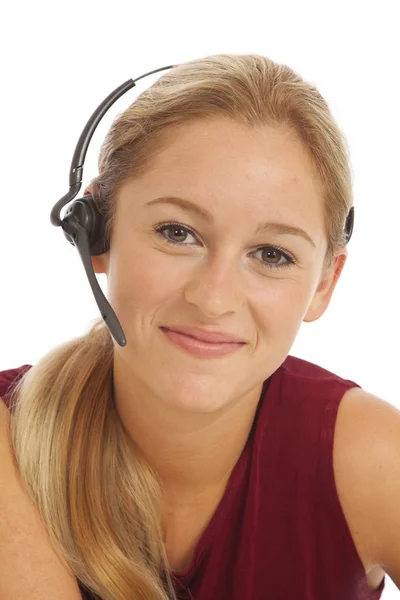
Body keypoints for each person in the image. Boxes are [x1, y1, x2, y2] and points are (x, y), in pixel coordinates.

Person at [0, 52, 396, 600]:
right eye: (178, 232)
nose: (213, 299)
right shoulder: (10, 439)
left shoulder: (372, 458)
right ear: (94, 233)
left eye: (272, 254)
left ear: (325, 283)